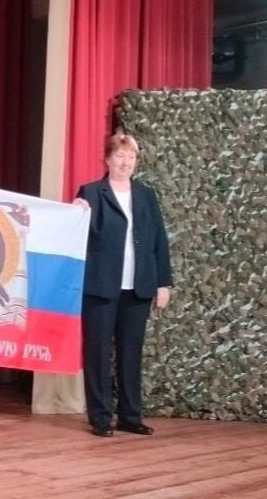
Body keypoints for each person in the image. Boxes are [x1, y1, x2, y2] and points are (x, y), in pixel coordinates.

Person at [73, 132, 173, 438]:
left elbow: (159, 240)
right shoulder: (91, 193)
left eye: (131, 157)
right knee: (98, 353)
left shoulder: (146, 195)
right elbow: (77, 232)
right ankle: (101, 418)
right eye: (119, 156)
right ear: (107, 159)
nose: (125, 162)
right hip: (101, 287)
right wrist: (75, 212)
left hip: (138, 287)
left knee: (131, 354)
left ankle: (130, 416)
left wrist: (163, 283)